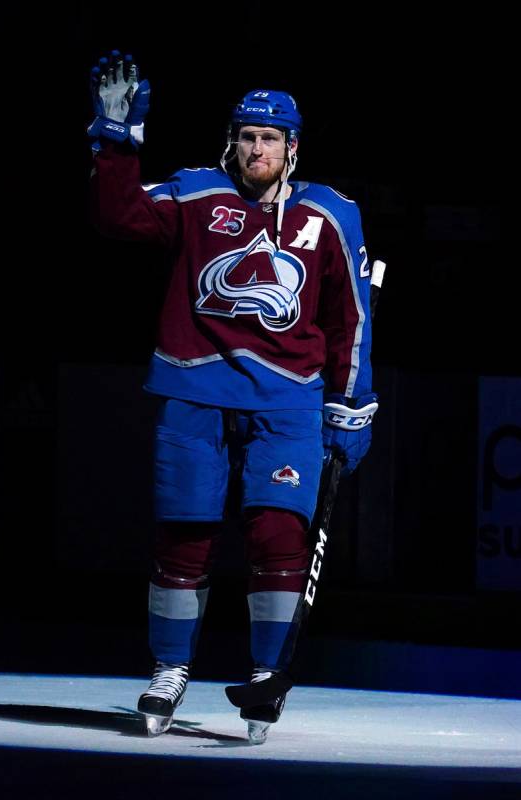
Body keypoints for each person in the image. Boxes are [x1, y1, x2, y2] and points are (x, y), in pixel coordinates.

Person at [88, 51, 378, 743]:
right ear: (233, 139)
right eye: (247, 135)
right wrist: (113, 137)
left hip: (289, 402)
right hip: (195, 391)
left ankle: (267, 676)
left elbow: (352, 316)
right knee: (182, 536)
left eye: (270, 137)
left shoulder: (330, 214)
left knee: (278, 536)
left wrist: (352, 402)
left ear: (292, 146)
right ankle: (169, 668)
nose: (257, 147)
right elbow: (118, 216)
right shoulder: (195, 194)